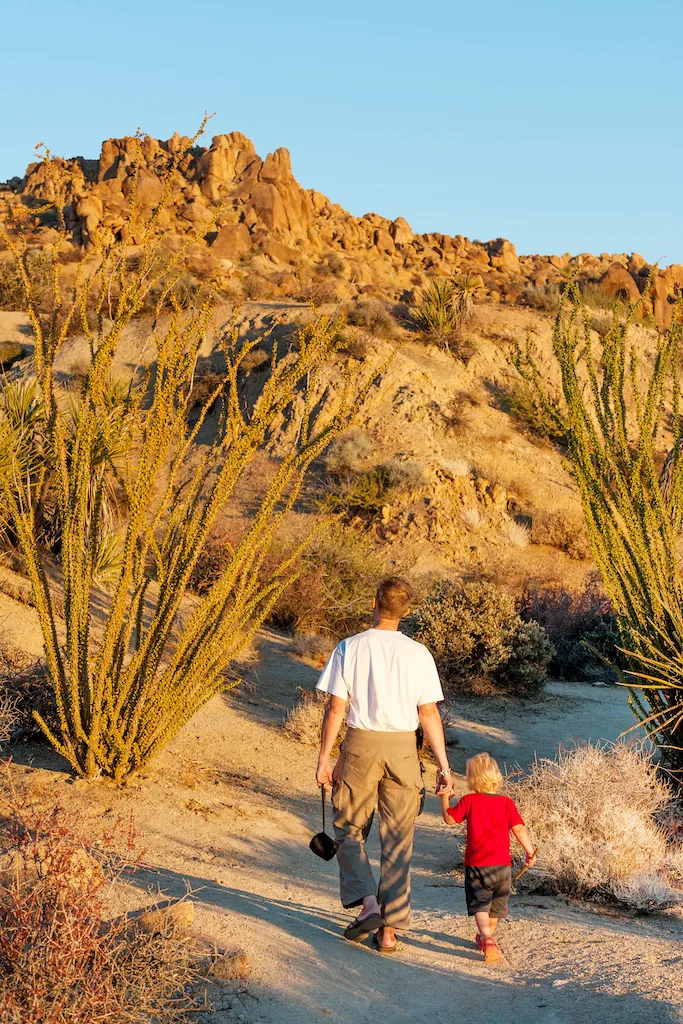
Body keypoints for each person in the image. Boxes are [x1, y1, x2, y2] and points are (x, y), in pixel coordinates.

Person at [316, 577, 453, 954]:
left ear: (374, 603)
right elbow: (428, 713)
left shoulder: (349, 648)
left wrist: (325, 758)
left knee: (347, 826)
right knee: (398, 839)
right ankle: (389, 932)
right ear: (406, 611)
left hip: (360, 744)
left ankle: (369, 904)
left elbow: (336, 709)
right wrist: (443, 765)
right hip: (404, 749)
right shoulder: (419, 654)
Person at [440, 752, 536, 963]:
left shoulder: (469, 801)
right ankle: (487, 937)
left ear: (471, 778)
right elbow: (519, 830)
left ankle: (487, 938)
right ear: (496, 776)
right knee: (496, 907)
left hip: (477, 865)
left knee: (480, 904)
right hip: (502, 866)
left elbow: (449, 819)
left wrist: (444, 796)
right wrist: (529, 851)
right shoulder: (506, 803)